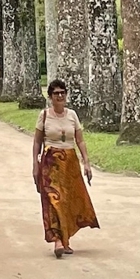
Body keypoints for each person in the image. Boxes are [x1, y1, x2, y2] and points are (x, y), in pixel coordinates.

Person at [32, 79, 98, 258]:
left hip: (70, 163)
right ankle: (57, 240)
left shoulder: (72, 115)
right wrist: (35, 165)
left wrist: (86, 163)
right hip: (50, 163)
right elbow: (37, 142)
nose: (60, 96)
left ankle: (65, 240)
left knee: (68, 201)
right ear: (50, 97)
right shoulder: (44, 115)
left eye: (62, 93)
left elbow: (80, 140)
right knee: (54, 200)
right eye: (56, 93)